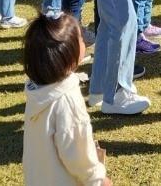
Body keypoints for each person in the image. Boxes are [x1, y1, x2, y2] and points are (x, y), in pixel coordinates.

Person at [23, 13, 110, 186]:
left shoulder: (37, 91)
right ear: (68, 54)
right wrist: (97, 179)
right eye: (81, 39)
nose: (85, 42)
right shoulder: (67, 99)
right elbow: (77, 151)